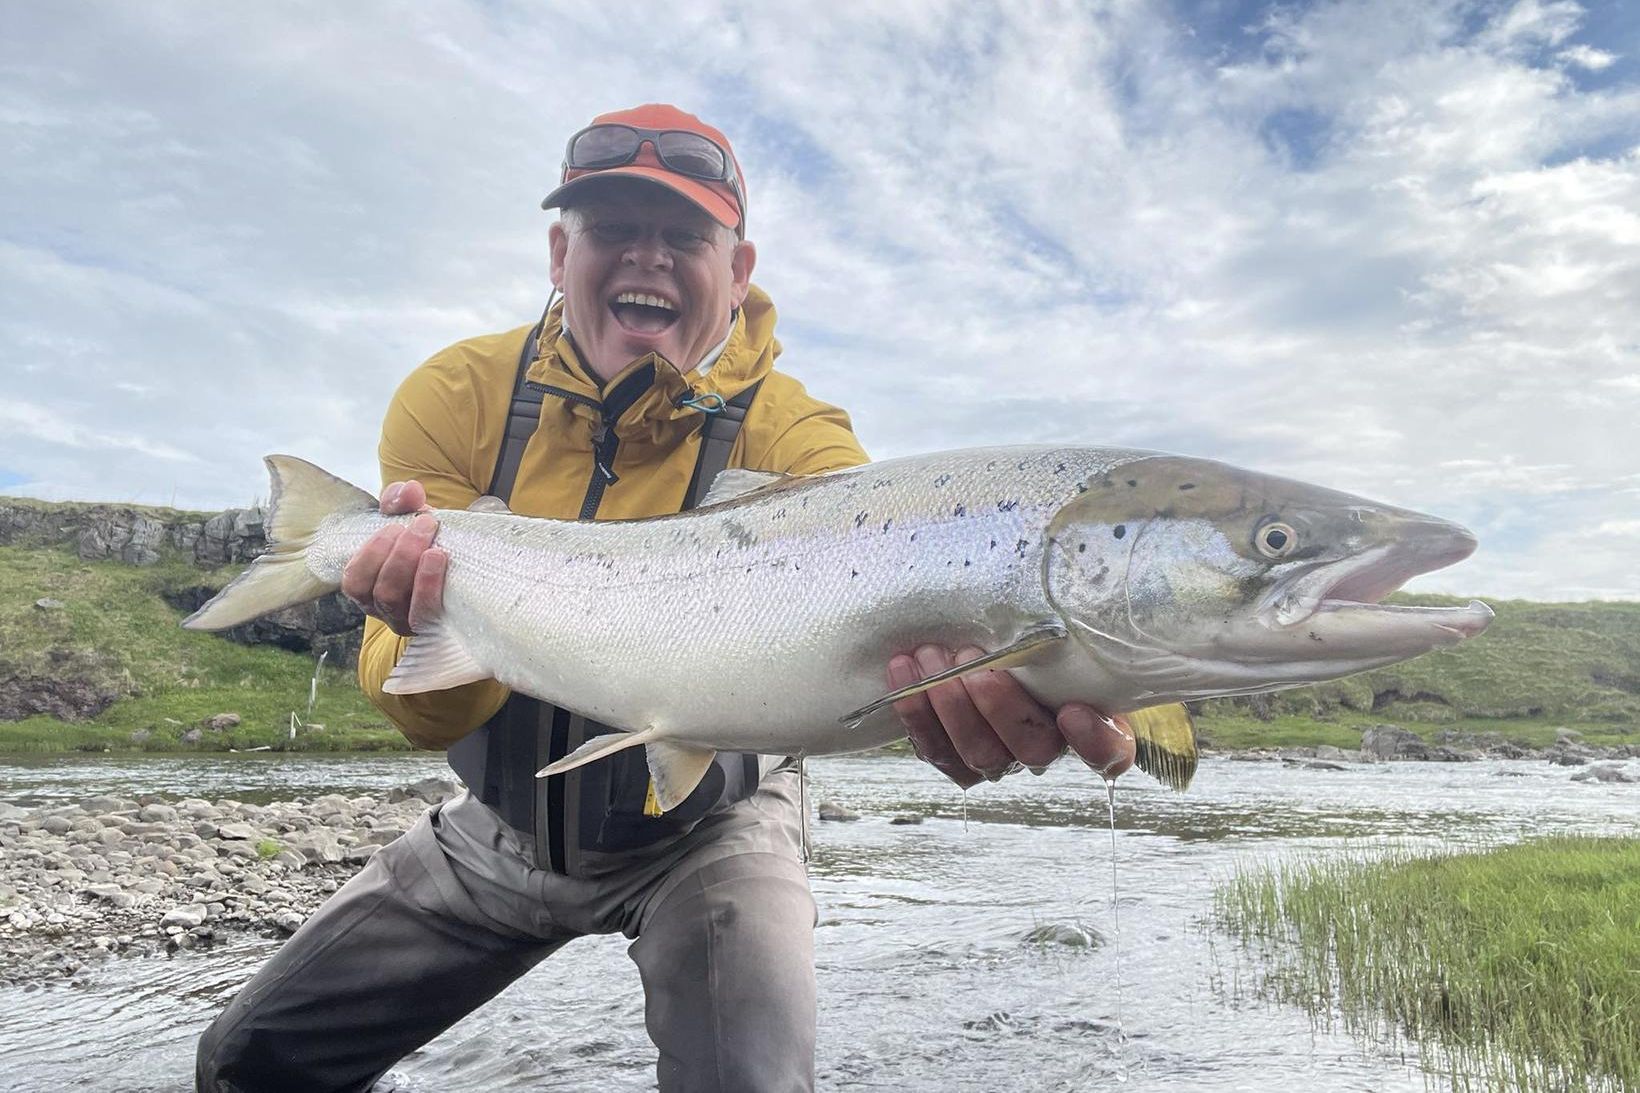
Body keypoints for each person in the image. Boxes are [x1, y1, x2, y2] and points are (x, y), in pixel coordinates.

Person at [195, 103, 1136, 1093]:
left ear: (738, 270)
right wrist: (410, 618)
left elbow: (892, 549)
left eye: (684, 236)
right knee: (247, 1060)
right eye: (612, 230)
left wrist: (987, 656)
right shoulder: (454, 396)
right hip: (500, 833)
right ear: (561, 254)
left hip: (711, 830)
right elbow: (416, 700)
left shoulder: (794, 431)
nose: (647, 258)